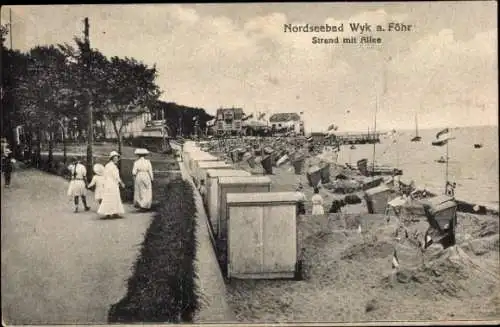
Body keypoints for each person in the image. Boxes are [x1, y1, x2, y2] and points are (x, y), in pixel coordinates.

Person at [98, 151, 125, 218]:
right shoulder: (112, 166)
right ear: (112, 158)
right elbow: (116, 176)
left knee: (111, 197)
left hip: (109, 183)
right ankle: (110, 212)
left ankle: (113, 212)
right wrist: (121, 183)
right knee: (112, 197)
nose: (116, 159)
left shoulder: (108, 165)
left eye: (117, 158)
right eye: (115, 158)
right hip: (112, 183)